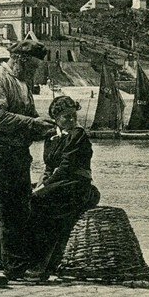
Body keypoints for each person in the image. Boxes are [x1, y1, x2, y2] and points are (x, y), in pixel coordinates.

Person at [0, 40, 57, 288]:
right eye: (33, 68)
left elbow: (24, 118)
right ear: (19, 60)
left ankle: (15, 266)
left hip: (17, 155)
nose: (35, 73)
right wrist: (33, 125)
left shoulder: (22, 83)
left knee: (18, 210)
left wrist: (41, 127)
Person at [26, 95, 101, 281]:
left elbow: (67, 167)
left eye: (73, 116)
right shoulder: (51, 138)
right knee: (28, 199)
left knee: (43, 204)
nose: (71, 120)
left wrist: (44, 186)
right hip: (60, 183)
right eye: (66, 117)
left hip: (77, 186)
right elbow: (50, 166)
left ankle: (43, 265)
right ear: (56, 118)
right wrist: (41, 181)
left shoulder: (78, 135)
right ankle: (26, 259)